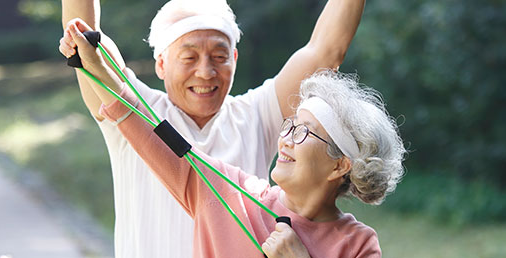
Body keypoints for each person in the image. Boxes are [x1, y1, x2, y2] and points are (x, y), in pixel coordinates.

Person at [58, 0, 364, 257]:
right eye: (189, 57)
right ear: (161, 64)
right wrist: (79, 37)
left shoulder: (258, 114)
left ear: (234, 58)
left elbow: (326, 51)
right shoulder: (132, 113)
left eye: (219, 56)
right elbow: (87, 42)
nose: (205, 71)